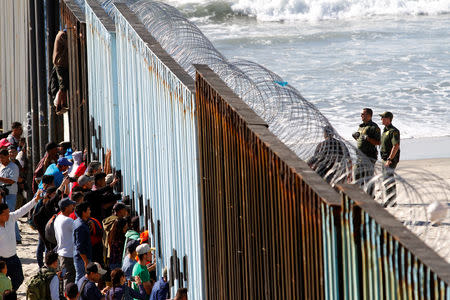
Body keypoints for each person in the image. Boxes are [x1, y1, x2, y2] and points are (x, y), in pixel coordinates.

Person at [0, 191, 40, 290]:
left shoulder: (11, 218)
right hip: (1, 260)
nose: (8, 215)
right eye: (5, 214)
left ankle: (10, 293)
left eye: (9, 212)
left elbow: (23, 210)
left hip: (13, 257)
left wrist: (35, 200)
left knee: (19, 279)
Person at [378, 111, 400, 207]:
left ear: (388, 119)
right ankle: (390, 199)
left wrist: (390, 159)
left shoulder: (393, 131)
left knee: (388, 179)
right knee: (385, 179)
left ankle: (391, 200)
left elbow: (395, 146)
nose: (381, 119)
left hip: (390, 159)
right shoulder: (385, 130)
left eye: (383, 118)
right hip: (384, 158)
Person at [352, 108, 381, 183]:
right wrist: (356, 137)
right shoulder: (361, 127)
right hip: (359, 157)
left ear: (369, 116)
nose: (361, 115)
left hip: (369, 157)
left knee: (368, 180)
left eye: (363, 114)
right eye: (361, 114)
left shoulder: (374, 127)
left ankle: (369, 194)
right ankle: (359, 194)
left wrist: (368, 139)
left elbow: (379, 142)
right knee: (357, 178)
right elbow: (360, 140)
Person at [54, 197, 77, 285]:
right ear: (66, 207)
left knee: (62, 278)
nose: (73, 207)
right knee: (69, 280)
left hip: (61, 253)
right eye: (71, 205)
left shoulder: (58, 218)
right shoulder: (68, 220)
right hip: (69, 255)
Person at [0, 149, 20, 243]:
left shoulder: (14, 167)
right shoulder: (0, 166)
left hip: (10, 194)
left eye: (2, 157)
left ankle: (17, 237)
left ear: (7, 156)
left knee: (10, 215)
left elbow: (12, 180)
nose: (1, 159)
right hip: (1, 194)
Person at [73, 202, 93, 282]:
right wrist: (86, 261)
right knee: (81, 279)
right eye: (88, 210)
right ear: (83, 212)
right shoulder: (80, 226)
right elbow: (79, 246)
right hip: (81, 258)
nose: (90, 211)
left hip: (81, 257)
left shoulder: (78, 222)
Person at [52, 30, 69, 115]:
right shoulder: (62, 35)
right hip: (60, 64)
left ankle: (63, 104)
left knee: (64, 86)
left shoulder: (60, 34)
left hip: (61, 63)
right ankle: (59, 107)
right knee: (63, 86)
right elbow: (69, 43)